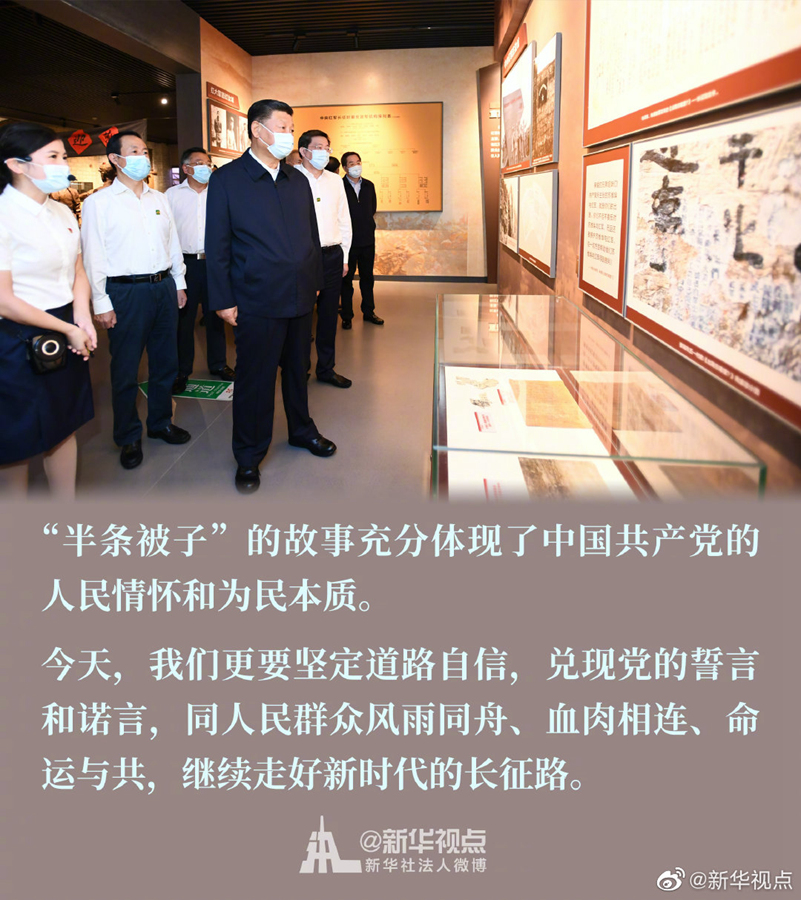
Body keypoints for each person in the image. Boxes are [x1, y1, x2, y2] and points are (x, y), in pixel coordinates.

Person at [206, 98, 336, 494]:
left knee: (298, 370)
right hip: (256, 298)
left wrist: (314, 279)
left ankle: (302, 430)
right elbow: (217, 245)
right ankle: (248, 454)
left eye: (291, 129)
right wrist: (223, 299)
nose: (288, 136)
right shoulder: (229, 179)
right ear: (257, 130)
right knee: (256, 379)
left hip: (300, 295)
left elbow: (311, 235)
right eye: (282, 127)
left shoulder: (296, 179)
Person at [81, 130, 191, 470]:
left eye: (144, 151)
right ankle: (128, 435)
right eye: (134, 151)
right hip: (125, 292)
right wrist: (100, 301)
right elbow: (93, 255)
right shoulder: (98, 203)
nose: (143, 157)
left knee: (165, 362)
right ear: (115, 159)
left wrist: (179, 282)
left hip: (163, 287)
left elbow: (172, 243)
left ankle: (160, 422)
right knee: (126, 368)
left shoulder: (159, 199)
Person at [0, 122, 95, 497]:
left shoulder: (62, 212)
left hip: (65, 323)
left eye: (64, 156)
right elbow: (4, 299)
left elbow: (78, 271)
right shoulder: (4, 214)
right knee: (17, 440)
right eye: (53, 157)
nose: (63, 165)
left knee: (63, 425)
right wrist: (68, 328)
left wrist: (81, 316)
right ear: (16, 165)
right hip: (16, 336)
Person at [165, 146, 234, 394]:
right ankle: (182, 370)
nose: (205, 167)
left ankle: (219, 364)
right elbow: (166, 233)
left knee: (216, 315)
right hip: (185, 264)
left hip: (215, 262)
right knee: (184, 320)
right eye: (198, 162)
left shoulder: (220, 192)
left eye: (207, 162)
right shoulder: (171, 195)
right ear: (186, 168)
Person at [294, 129, 352, 388]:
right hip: (303, 257)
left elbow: (344, 220)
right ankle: (299, 368)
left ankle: (326, 368)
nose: (324, 152)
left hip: (332, 255)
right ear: (304, 151)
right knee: (302, 317)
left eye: (327, 147)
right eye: (318, 147)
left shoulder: (335, 181)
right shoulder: (291, 178)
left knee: (328, 316)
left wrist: (345, 257)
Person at [340, 151, 383, 328]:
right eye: (351, 163)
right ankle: (347, 316)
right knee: (346, 280)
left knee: (367, 278)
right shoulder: (339, 186)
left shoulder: (369, 185)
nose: (356, 166)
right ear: (344, 167)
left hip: (367, 240)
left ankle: (369, 312)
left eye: (358, 162)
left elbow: (372, 208)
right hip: (347, 242)